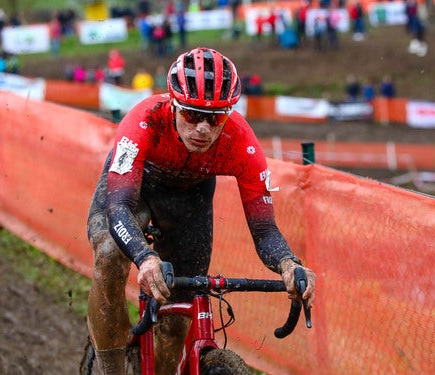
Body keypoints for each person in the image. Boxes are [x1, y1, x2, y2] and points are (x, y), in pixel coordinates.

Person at [86, 47, 317, 375]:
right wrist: (145, 257)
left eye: (216, 118)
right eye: (192, 115)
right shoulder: (144, 120)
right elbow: (119, 208)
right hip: (134, 192)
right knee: (110, 254)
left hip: (189, 200)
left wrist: (289, 264)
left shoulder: (242, 143)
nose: (203, 129)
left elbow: (265, 231)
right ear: (172, 104)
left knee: (179, 315)